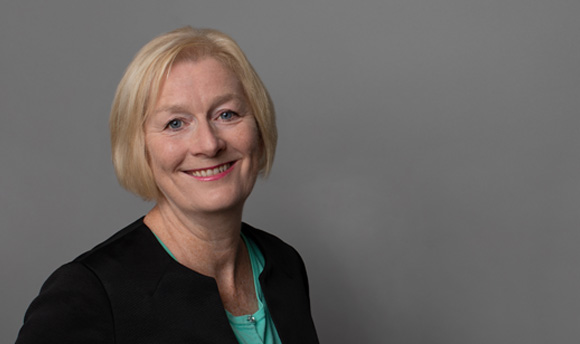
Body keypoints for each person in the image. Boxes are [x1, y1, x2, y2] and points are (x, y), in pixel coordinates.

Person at [15, 26, 319, 344]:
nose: (209, 144)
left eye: (226, 114)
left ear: (258, 125)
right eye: (175, 123)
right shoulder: (90, 293)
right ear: (139, 147)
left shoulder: (283, 264)